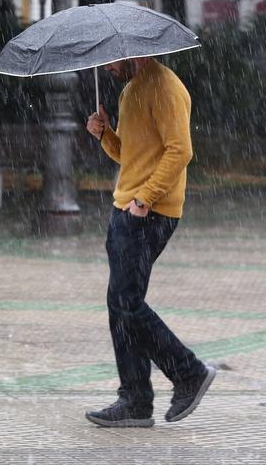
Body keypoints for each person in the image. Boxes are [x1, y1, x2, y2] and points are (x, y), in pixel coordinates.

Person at [84, 56, 216, 428]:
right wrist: (104, 134)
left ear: (131, 52)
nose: (106, 68)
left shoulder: (165, 85)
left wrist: (145, 199)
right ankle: (135, 400)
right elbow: (131, 155)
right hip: (127, 208)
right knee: (121, 304)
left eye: (110, 60)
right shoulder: (131, 89)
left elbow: (180, 150)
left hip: (149, 212)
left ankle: (188, 372)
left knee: (126, 302)